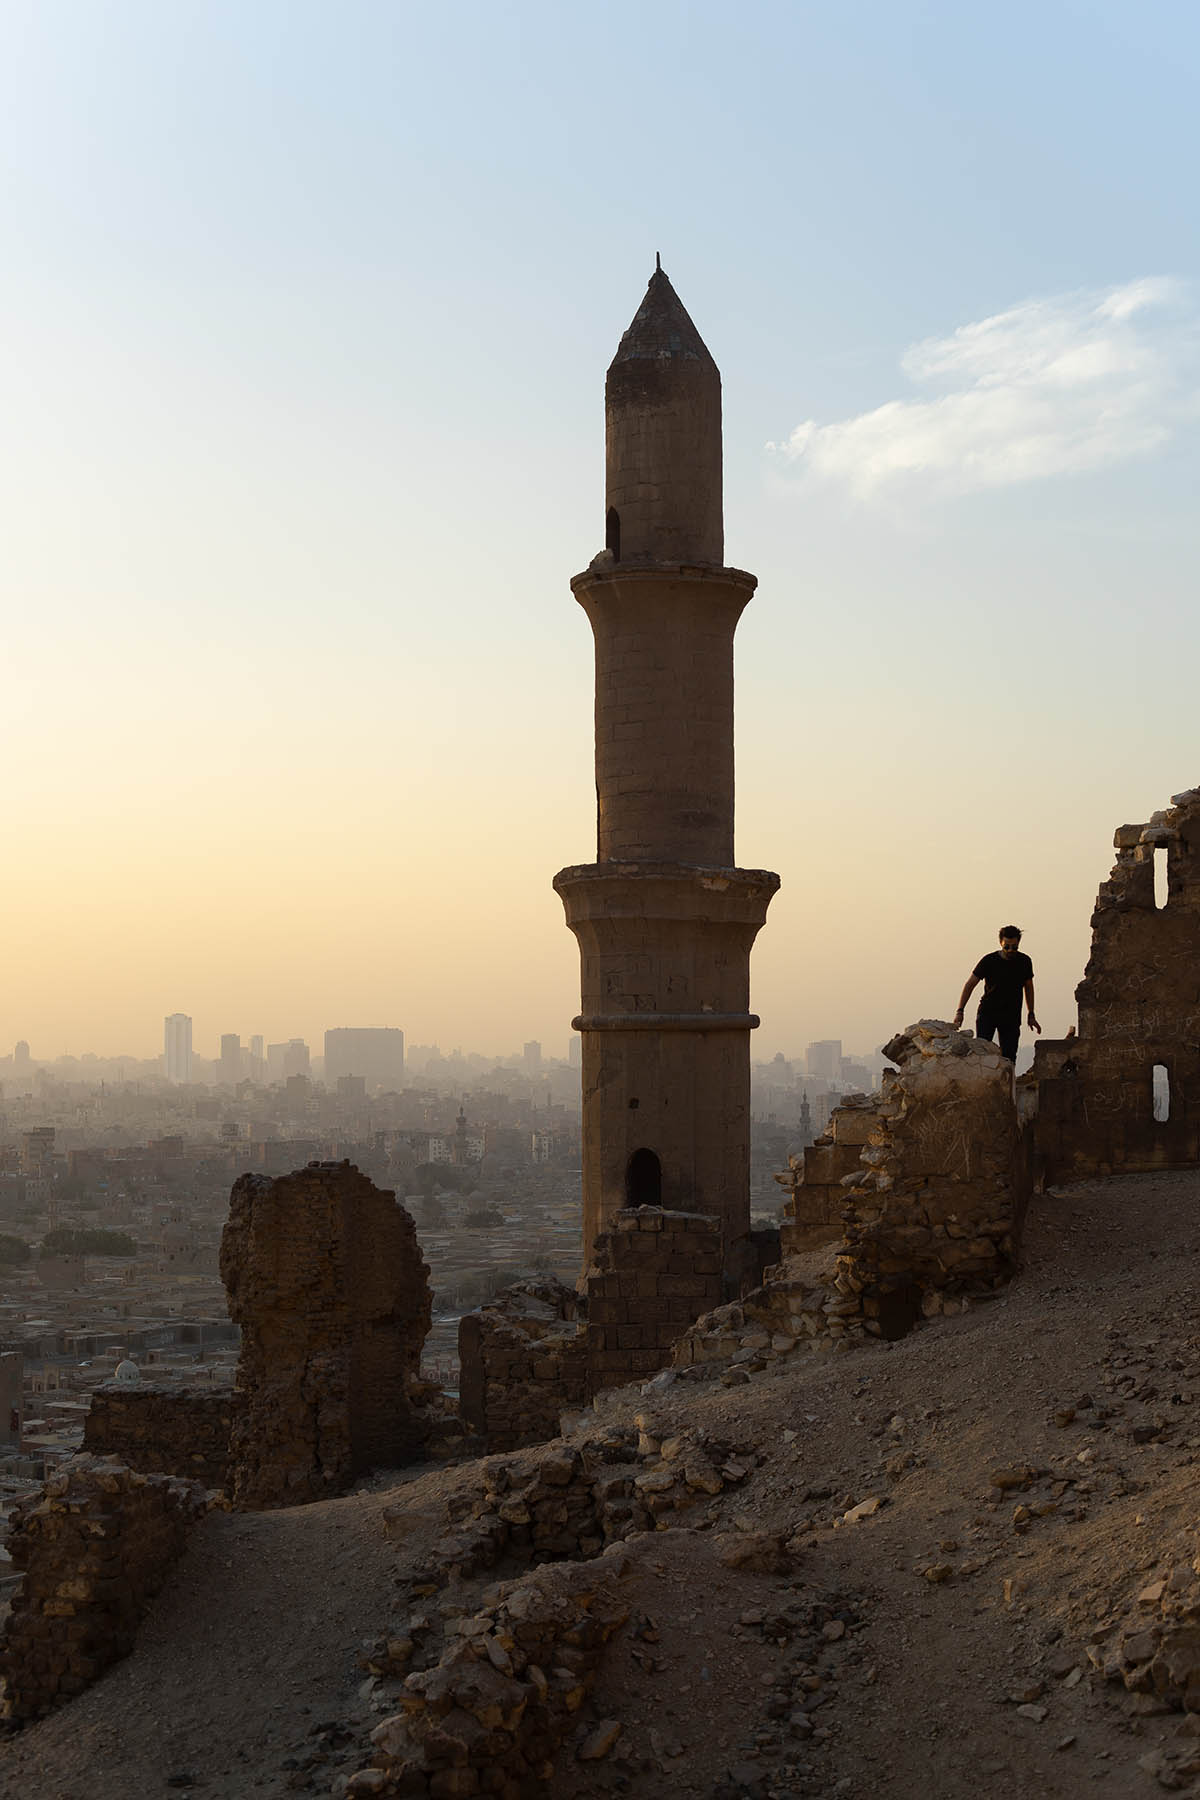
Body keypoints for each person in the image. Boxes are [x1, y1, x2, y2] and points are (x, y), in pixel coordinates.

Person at [952, 926, 1041, 1063]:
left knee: (1009, 1057)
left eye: (1014, 947)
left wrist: (1031, 1014)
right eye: (1007, 947)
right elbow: (970, 985)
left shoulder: (1024, 961)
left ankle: (1009, 1084)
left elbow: (1028, 988)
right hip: (988, 1014)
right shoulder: (989, 961)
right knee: (983, 1056)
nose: (1011, 950)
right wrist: (960, 1011)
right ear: (1001, 943)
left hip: (1011, 1016)